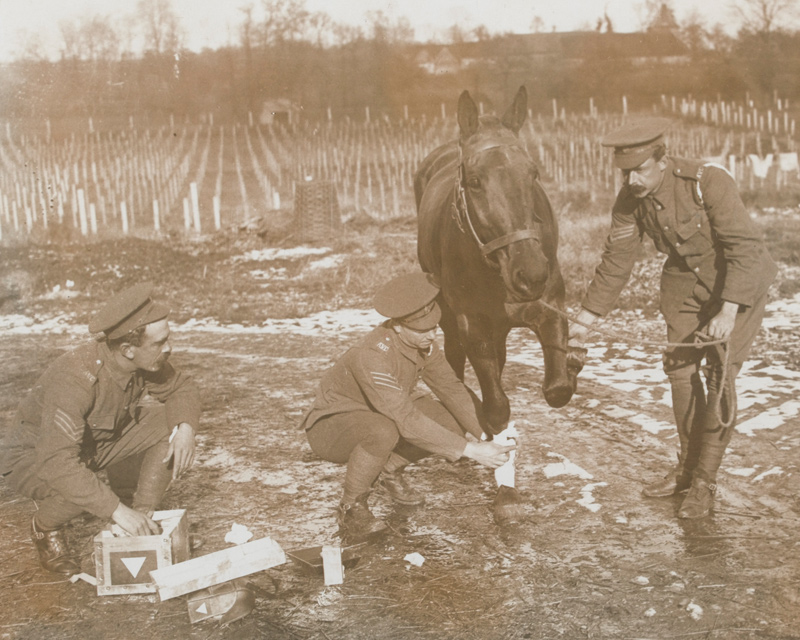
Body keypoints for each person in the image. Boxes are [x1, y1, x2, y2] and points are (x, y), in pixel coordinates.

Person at [569, 118, 777, 519]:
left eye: (639, 170)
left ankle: (704, 482)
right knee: (679, 371)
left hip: (737, 279)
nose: (630, 180)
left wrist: (729, 309)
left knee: (719, 376)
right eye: (624, 171)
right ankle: (684, 469)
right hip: (684, 286)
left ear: (662, 159)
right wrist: (586, 317)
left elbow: (745, 249)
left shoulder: (707, 181)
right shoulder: (628, 200)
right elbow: (617, 260)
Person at [1, 282, 201, 574]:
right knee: (89, 491)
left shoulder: (143, 361)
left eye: (167, 339)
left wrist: (185, 429)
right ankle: (45, 527)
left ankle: (141, 518)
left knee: (165, 424)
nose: (168, 349)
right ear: (128, 349)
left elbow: (182, 388)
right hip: (35, 457)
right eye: (159, 343)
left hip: (89, 446)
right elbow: (57, 461)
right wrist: (115, 509)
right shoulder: (76, 379)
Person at [301, 272, 515, 538]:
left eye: (435, 327)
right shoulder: (371, 355)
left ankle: (389, 469)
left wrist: (491, 435)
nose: (432, 336)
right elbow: (406, 419)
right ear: (398, 326)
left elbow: (452, 389)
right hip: (333, 426)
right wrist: (472, 451)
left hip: (382, 412)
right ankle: (351, 507)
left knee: (450, 421)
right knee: (383, 431)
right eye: (422, 330)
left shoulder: (423, 345)